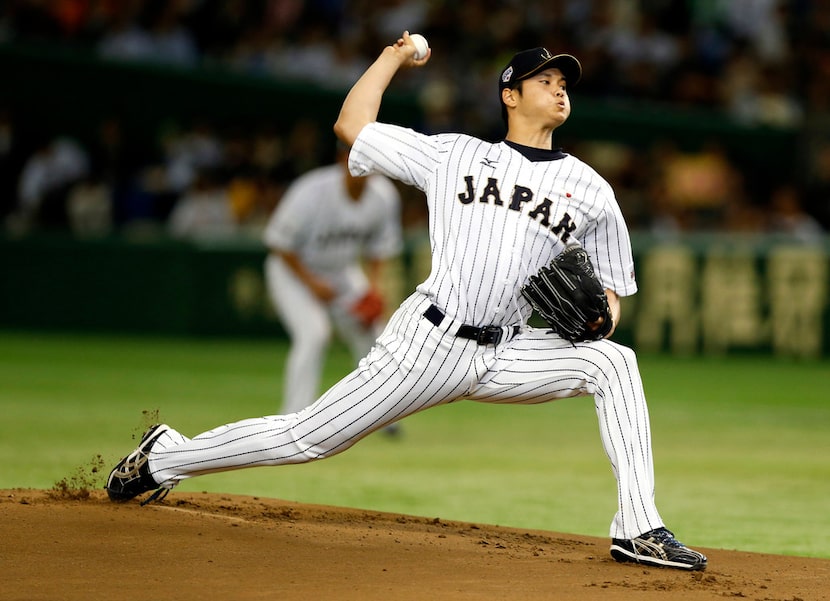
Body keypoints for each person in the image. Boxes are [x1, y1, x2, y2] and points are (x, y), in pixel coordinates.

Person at [106, 34, 708, 572]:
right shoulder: (455, 155)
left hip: (507, 350)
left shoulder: (592, 190)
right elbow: (352, 125)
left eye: (563, 83)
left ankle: (638, 528)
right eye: (544, 80)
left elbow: (610, 291)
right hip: (429, 341)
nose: (558, 90)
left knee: (614, 363)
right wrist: (394, 56)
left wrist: (601, 319)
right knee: (308, 439)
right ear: (509, 95)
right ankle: (167, 457)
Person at [262, 145, 403, 418]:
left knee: (375, 332)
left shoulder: (383, 196)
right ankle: (293, 415)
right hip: (293, 271)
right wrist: (311, 283)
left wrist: (373, 289)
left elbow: (380, 249)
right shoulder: (311, 191)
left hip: (341, 272)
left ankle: (380, 415)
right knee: (314, 333)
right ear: (341, 160)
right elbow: (277, 242)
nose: (363, 166)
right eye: (355, 158)